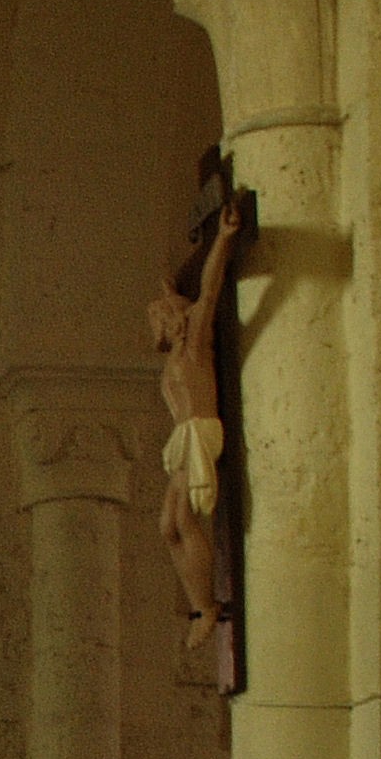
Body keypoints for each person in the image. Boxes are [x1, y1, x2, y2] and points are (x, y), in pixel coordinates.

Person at [152, 189, 248, 680]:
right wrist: (168, 285)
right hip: (182, 440)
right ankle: (199, 605)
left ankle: (209, 606)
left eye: (163, 316)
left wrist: (224, 240)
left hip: (200, 432)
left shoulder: (197, 343)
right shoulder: (173, 357)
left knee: (185, 518)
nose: (158, 325)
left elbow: (209, 289)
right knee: (166, 524)